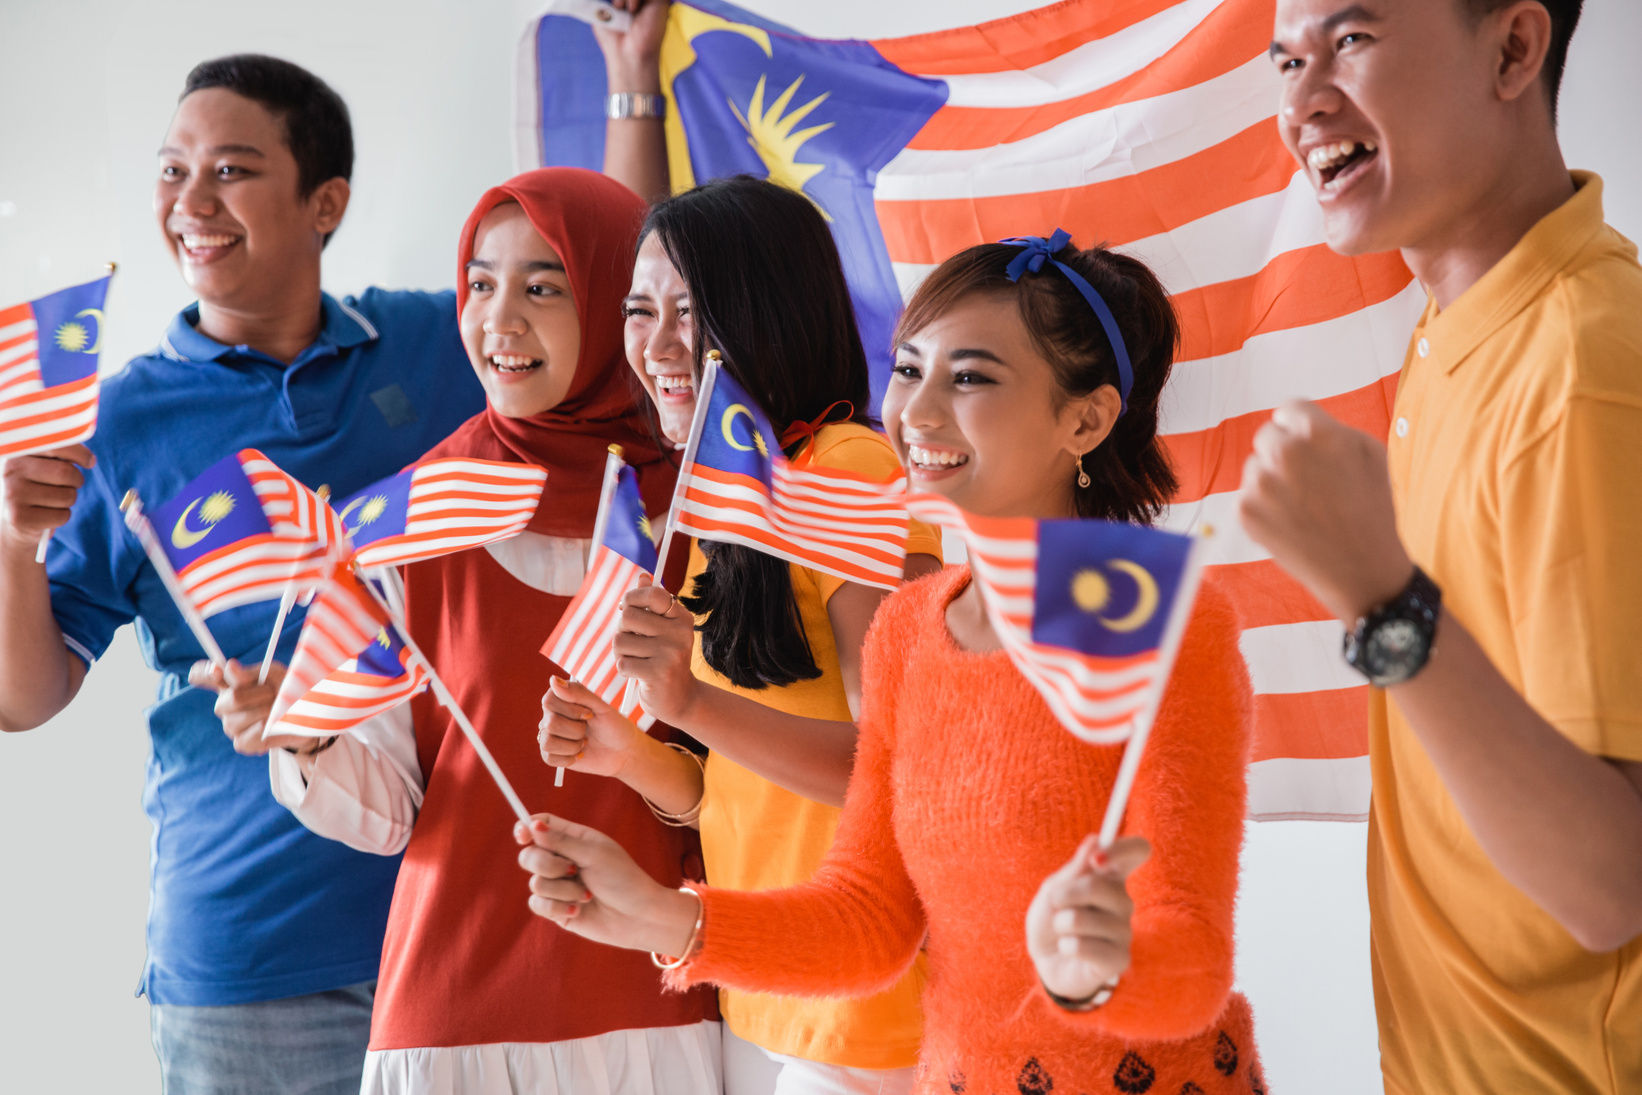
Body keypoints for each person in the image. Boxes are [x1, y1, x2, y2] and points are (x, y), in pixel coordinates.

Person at [523, 234, 1265, 1094]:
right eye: (909, 369)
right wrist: (665, 916)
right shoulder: (909, 628)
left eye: (971, 377)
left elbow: (1194, 961)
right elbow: (869, 917)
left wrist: (1109, 968)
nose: (917, 411)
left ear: (1086, 421)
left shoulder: (1169, 623)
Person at [0, 55, 485, 1093]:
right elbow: (24, 700)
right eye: (172, 170)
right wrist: (10, 543)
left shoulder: (438, 344)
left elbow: (618, 289)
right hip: (252, 959)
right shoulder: (120, 420)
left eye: (230, 169)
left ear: (326, 204)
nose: (191, 201)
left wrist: (629, 82)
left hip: (460, 925)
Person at [1246, 2, 1642, 1092]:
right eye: (1287, 60)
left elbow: (1610, 887)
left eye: (1351, 41)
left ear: (1513, 49)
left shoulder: (1580, 367)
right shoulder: (1462, 325)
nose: (1301, 100)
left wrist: (1381, 600)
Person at [259, 167, 721, 1094]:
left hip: (660, 1003)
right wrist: (305, 736)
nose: (498, 319)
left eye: (544, 288)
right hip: (455, 1011)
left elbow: (753, 794)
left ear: (616, 306)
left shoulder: (704, 509)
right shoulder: (415, 518)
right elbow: (392, 809)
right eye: (479, 283)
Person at [537, 175, 943, 1095]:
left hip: (873, 1006)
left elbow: (898, 767)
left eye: (691, 310)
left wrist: (688, 701)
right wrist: (627, 752)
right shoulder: (728, 503)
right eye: (641, 311)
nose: (658, 345)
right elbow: (725, 790)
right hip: (769, 991)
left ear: (771, 312)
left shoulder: (846, 469)